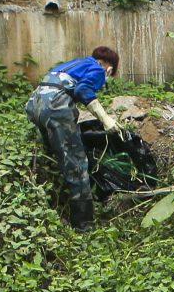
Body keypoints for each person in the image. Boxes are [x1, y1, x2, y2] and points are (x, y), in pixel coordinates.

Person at [26, 46, 122, 231]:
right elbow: (83, 89)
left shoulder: (74, 64)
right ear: (109, 69)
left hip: (35, 104)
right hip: (55, 107)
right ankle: (83, 226)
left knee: (55, 154)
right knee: (77, 166)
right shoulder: (97, 69)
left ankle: (50, 203)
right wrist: (106, 119)